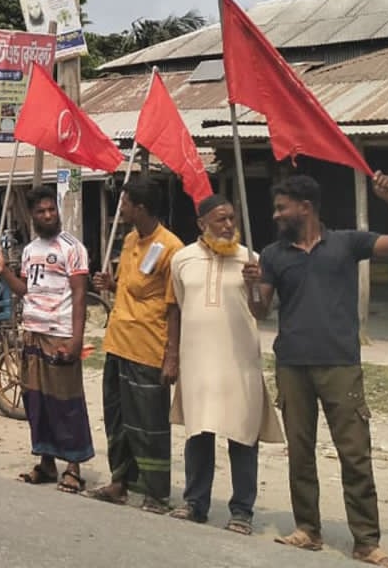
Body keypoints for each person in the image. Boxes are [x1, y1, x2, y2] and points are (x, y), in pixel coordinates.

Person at [244, 173, 388, 566]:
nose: (276, 215)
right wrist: (251, 286)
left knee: (355, 454)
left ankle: (366, 541)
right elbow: (261, 311)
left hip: (341, 364)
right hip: (292, 364)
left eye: (281, 207)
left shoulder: (347, 242)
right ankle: (307, 529)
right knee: (300, 453)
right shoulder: (273, 254)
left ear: (304, 208)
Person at [165, 194, 283, 534]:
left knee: (242, 434)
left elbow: (261, 312)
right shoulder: (182, 259)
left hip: (239, 361)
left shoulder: (252, 261)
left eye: (232, 218)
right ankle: (195, 503)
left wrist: (254, 286)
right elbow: (179, 305)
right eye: (220, 219)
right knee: (198, 432)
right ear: (202, 225)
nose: (229, 225)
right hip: (198, 360)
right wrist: (173, 354)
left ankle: (242, 511)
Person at [85, 177, 184, 513]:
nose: (121, 208)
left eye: (124, 203)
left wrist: (172, 357)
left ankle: (156, 493)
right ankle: (120, 481)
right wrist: (111, 285)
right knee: (118, 418)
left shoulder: (172, 248)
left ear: (139, 208)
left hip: (148, 347)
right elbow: (131, 287)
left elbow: (173, 306)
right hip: (117, 343)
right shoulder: (129, 240)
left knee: (149, 423)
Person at [0, 186, 95, 493]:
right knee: (37, 401)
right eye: (41, 211)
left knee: (66, 402)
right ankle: (46, 461)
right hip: (33, 331)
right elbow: (25, 290)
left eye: (52, 210)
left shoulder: (72, 248)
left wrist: (77, 339)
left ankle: (73, 466)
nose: (48, 215)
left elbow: (78, 294)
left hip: (60, 333)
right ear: (32, 216)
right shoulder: (30, 250)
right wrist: (5, 272)